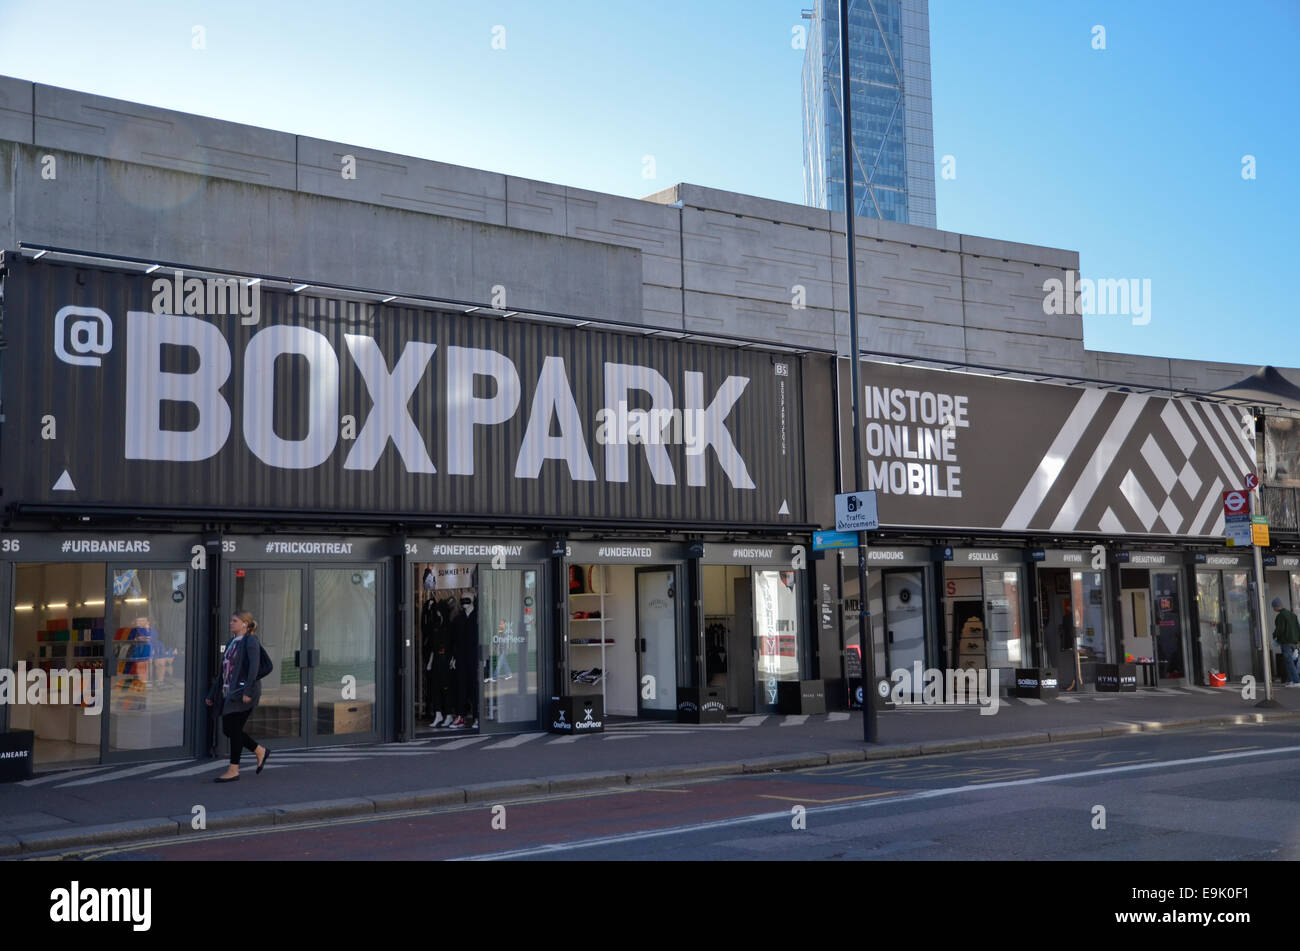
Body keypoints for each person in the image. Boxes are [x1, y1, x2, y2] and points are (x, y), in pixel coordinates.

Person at [205, 612, 269, 781]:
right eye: (231, 620)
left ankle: (233, 770)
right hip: (229, 693)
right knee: (229, 729)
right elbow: (223, 672)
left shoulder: (251, 641)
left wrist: (247, 691)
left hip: (244, 694)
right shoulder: (231, 642)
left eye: (235, 620)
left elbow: (254, 668)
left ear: (245, 624)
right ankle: (259, 750)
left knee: (233, 729)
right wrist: (213, 693)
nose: (230, 623)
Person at [1272, 598, 1300, 686]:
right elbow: (1297, 628)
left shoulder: (1281, 616)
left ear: (1277, 607)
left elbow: (1280, 629)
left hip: (1286, 641)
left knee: (1289, 662)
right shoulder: (1293, 615)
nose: (1273, 609)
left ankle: (1296, 680)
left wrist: (1275, 636)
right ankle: (1290, 680)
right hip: (1294, 642)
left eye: (1273, 607)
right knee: (1291, 661)